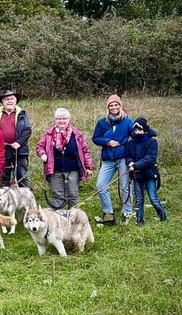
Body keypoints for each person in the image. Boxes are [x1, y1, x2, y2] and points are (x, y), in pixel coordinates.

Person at [35, 108, 94, 209]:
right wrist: (42, 154)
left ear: (69, 119)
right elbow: (39, 147)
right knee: (57, 195)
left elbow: (85, 151)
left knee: (73, 195)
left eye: (64, 118)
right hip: (55, 169)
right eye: (59, 118)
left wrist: (89, 167)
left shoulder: (77, 134)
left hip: (73, 169)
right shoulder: (48, 134)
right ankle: (58, 217)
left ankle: (73, 216)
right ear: (55, 120)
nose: (61, 121)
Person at [92, 94, 134, 225]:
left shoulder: (128, 121)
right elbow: (95, 138)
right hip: (108, 158)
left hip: (123, 158)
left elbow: (136, 135)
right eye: (111, 105)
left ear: (120, 106)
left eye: (116, 104)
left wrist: (149, 137)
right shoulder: (102, 122)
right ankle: (108, 213)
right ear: (108, 107)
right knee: (101, 185)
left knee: (125, 186)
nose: (114, 107)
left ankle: (127, 211)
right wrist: (108, 142)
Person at [126, 118, 167, 226]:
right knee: (139, 199)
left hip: (149, 173)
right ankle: (140, 221)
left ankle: (163, 217)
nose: (137, 132)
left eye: (139, 130)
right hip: (136, 175)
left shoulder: (152, 141)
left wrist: (136, 165)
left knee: (153, 198)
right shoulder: (131, 143)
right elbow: (128, 155)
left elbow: (150, 157)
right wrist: (130, 162)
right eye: (135, 130)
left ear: (144, 130)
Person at [0, 89, 32, 188]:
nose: (9, 101)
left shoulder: (23, 114)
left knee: (21, 177)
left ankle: (25, 197)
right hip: (2, 151)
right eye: (6, 99)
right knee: (3, 177)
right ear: (2, 102)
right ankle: (5, 197)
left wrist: (18, 143)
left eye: (11, 99)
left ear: (16, 101)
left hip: (19, 151)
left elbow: (27, 130)